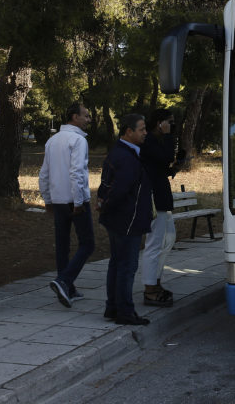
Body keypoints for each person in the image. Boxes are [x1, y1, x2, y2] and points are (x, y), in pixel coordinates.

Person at [98, 114, 153, 326]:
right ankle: (125, 312)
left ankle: (113, 307)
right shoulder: (126, 157)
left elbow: (106, 185)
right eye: (141, 129)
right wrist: (106, 204)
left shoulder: (122, 152)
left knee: (117, 263)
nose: (145, 132)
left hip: (118, 218)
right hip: (127, 219)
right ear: (128, 132)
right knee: (126, 266)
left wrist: (103, 204)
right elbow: (119, 189)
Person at [39, 102, 94, 308]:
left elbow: (44, 173)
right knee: (88, 244)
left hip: (58, 200)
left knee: (62, 245)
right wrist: (79, 202)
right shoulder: (78, 140)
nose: (88, 119)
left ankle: (67, 288)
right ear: (74, 117)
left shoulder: (52, 141)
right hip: (75, 201)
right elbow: (76, 172)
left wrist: (47, 200)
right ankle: (64, 281)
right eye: (85, 116)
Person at [140, 109, 178, 307]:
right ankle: (150, 288)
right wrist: (169, 136)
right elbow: (164, 158)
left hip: (161, 195)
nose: (172, 126)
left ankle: (155, 281)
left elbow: (163, 165)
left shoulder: (156, 142)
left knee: (167, 238)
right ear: (159, 123)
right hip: (155, 198)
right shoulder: (150, 141)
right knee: (155, 243)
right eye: (169, 122)